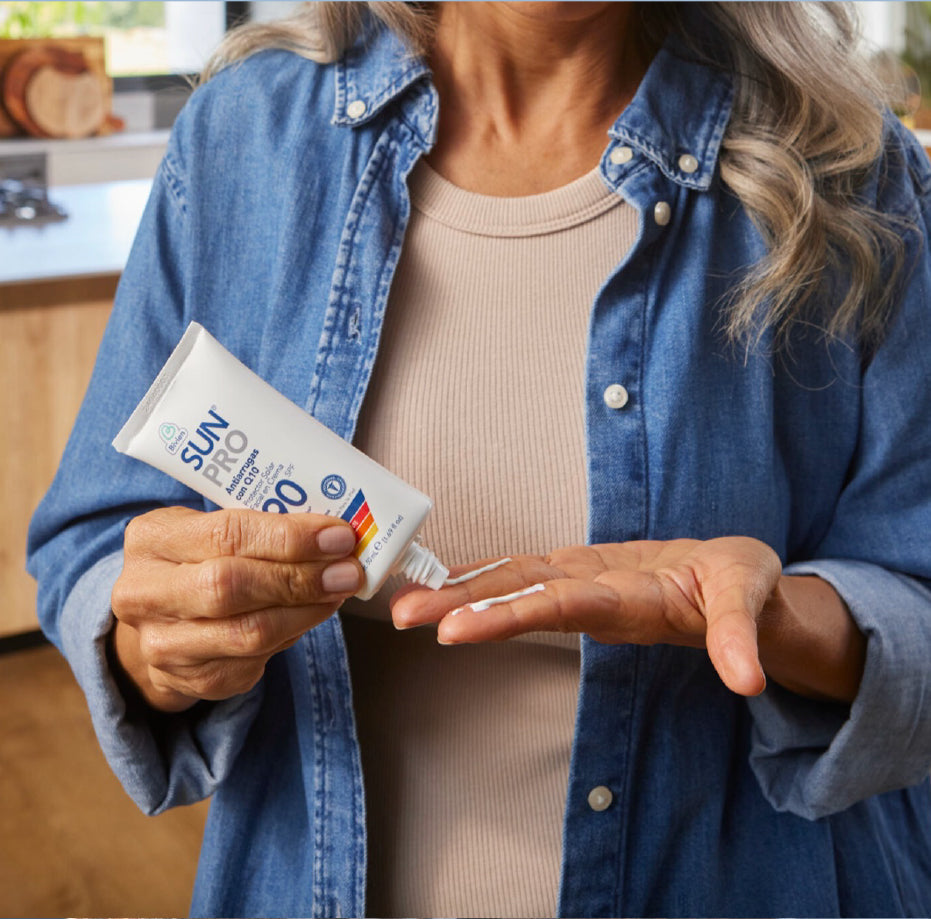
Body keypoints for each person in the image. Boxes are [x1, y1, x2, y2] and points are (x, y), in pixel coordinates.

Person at [26, 2, 931, 917]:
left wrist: (776, 619)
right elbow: (96, 539)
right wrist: (163, 642)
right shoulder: (244, 136)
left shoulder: (852, 174)